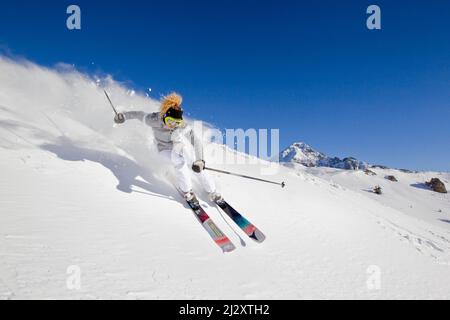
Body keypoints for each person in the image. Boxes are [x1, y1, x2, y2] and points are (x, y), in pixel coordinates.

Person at [113, 92, 222, 203]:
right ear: (165, 116)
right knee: (179, 161)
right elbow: (138, 114)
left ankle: (212, 191)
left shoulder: (181, 125)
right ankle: (187, 191)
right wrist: (124, 116)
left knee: (193, 162)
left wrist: (200, 160)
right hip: (163, 149)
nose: (172, 125)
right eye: (170, 121)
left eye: (176, 122)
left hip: (177, 146)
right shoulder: (154, 120)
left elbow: (196, 141)